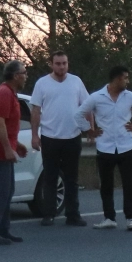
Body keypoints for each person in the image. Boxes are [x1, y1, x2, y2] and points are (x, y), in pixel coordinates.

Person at [82, 65, 132, 231]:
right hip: (105, 147)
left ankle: (130, 218)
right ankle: (109, 217)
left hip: (126, 146)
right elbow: (79, 113)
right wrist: (89, 130)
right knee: (106, 184)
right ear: (117, 79)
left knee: (128, 184)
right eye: (125, 78)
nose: (127, 81)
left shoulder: (130, 97)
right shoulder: (97, 97)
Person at [29, 51, 92, 227]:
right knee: (50, 177)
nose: (61, 67)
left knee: (72, 178)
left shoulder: (76, 82)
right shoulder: (42, 83)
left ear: (68, 63)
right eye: (58, 63)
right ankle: (49, 213)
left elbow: (87, 106)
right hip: (50, 137)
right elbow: (35, 111)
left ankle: (73, 214)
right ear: (51, 64)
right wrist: (35, 135)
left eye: (64, 63)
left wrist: (90, 130)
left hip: (72, 136)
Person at [0, 60, 30, 246]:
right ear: (16, 75)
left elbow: (8, 125)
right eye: (24, 73)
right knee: (1, 190)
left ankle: (3, 229)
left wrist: (16, 144)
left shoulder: (10, 94)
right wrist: (8, 148)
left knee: (8, 190)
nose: (26, 76)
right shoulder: (3, 93)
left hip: (5, 146)